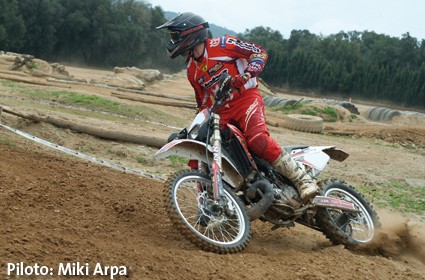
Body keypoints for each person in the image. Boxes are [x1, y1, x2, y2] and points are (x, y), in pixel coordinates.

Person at [156, 12, 318, 202]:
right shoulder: (192, 70)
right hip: (221, 111)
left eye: (175, 35)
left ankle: (303, 180)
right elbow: (203, 103)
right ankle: (210, 204)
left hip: (246, 99)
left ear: (190, 33)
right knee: (202, 150)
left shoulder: (224, 45)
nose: (173, 40)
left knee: (257, 140)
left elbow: (259, 52)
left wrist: (248, 73)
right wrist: (192, 129)